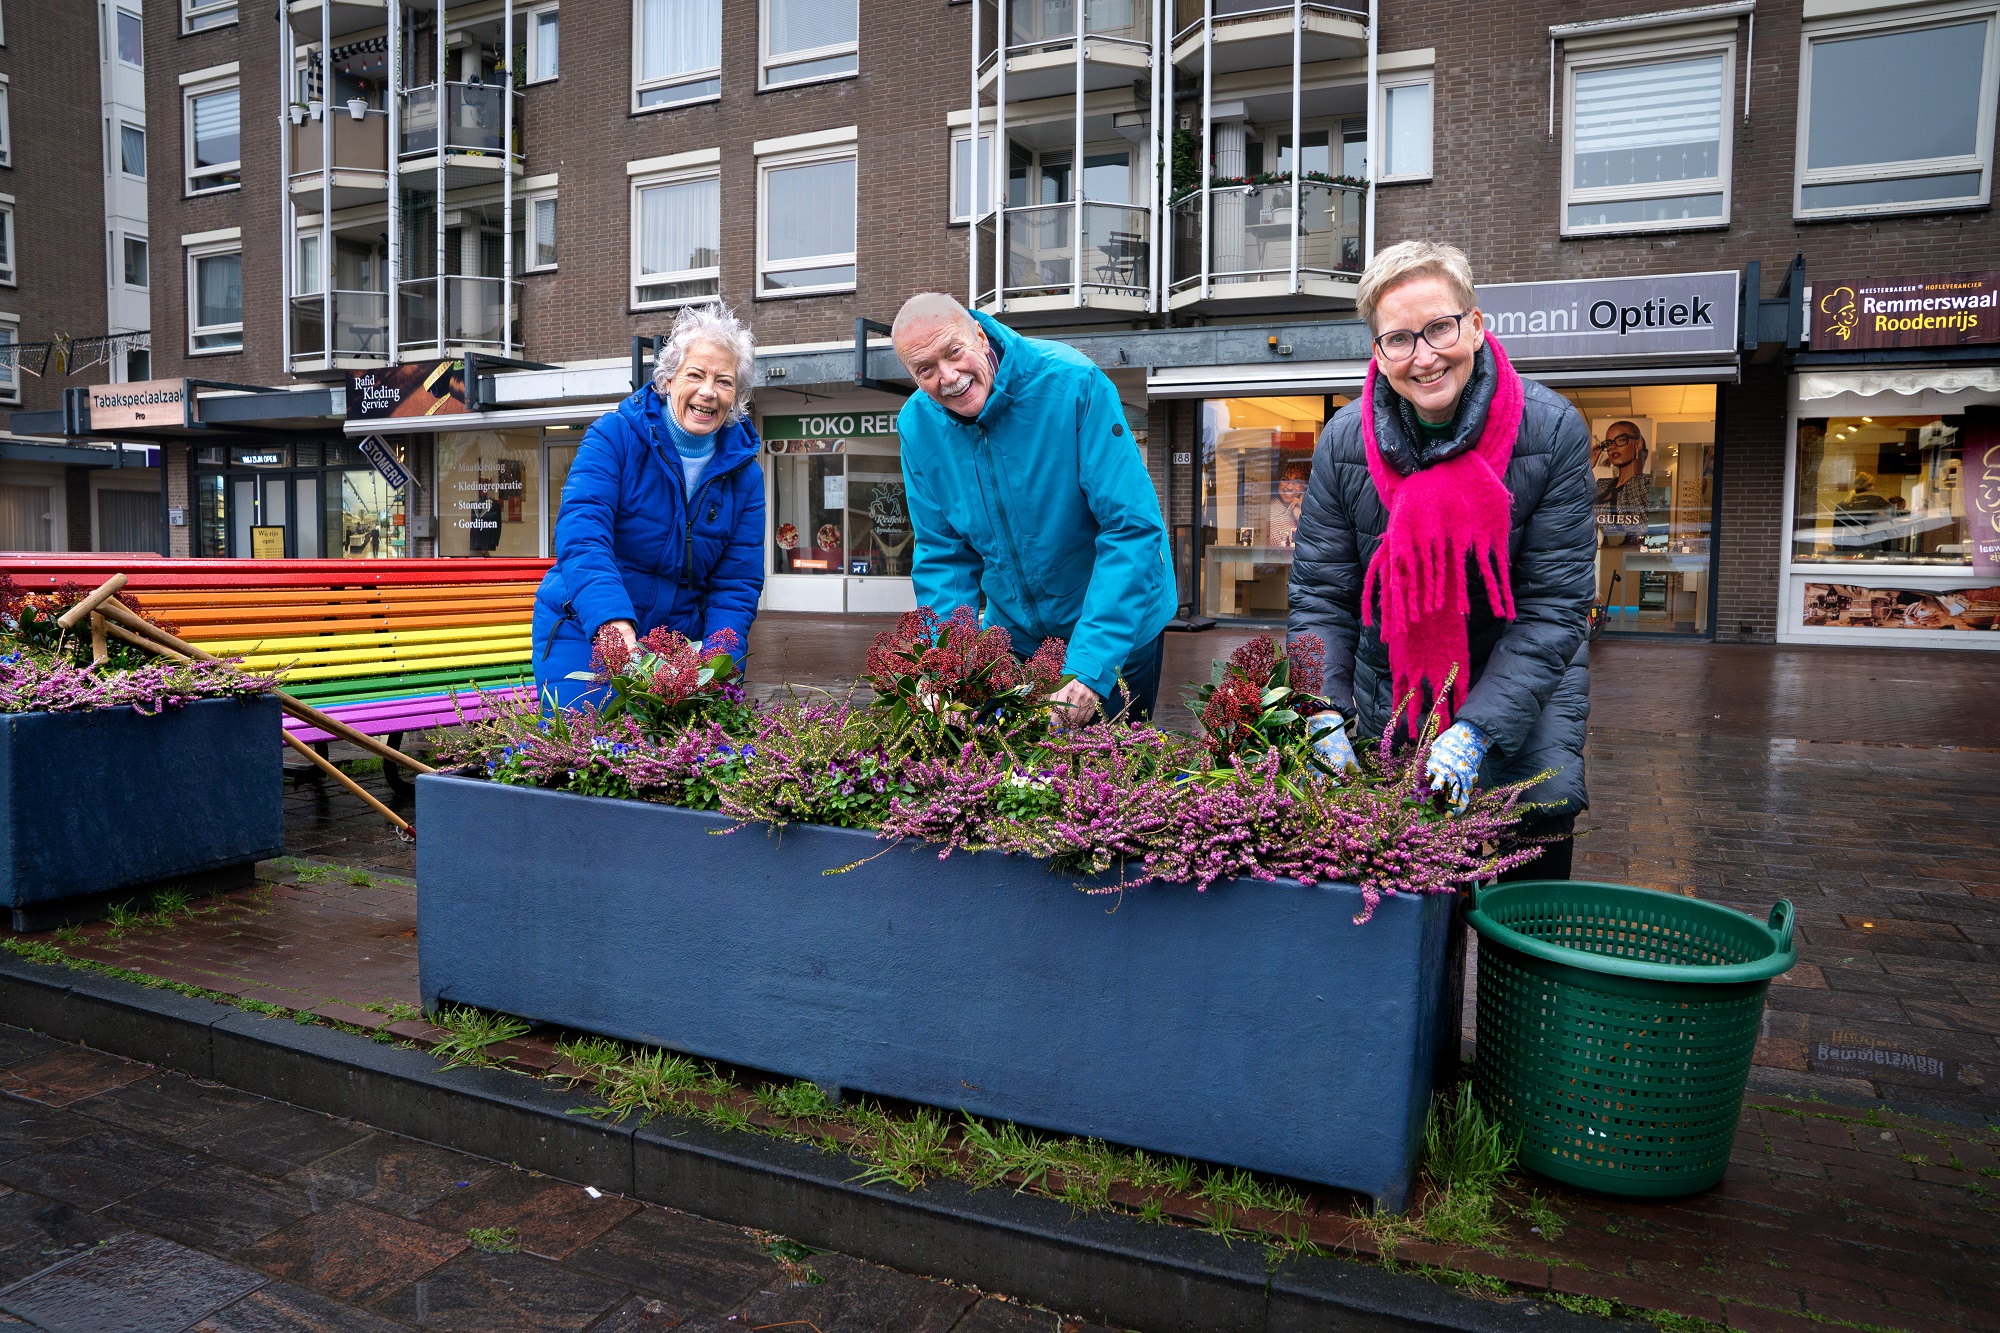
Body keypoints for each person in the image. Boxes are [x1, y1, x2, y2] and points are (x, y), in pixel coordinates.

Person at [1287, 241, 1595, 881]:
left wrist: (1478, 728)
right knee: (1405, 938)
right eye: (1398, 339)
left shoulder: (1552, 429)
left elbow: (1554, 609)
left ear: (1475, 326)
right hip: (1389, 705)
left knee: (1524, 926)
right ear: (1378, 352)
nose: (1424, 357)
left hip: (1523, 713)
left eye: (1440, 328)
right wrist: (1320, 711)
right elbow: (1320, 597)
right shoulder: (1344, 442)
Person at [891, 292, 1176, 724]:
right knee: (1021, 777)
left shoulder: (1073, 383)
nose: (948, 377)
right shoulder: (917, 426)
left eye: (954, 352)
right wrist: (946, 664)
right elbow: (943, 554)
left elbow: (1129, 529)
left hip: (1117, 626)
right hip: (1019, 636)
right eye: (925, 370)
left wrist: (1090, 666)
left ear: (980, 336)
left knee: (1116, 774)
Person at [532, 303, 765, 712]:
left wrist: (715, 666)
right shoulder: (614, 437)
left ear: (736, 397)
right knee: (584, 754)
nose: (708, 391)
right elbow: (582, 533)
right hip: (583, 625)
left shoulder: (745, 475)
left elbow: (736, 584)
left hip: (675, 644)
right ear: (669, 377)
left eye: (724, 381)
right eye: (695, 374)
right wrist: (611, 621)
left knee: (679, 764)